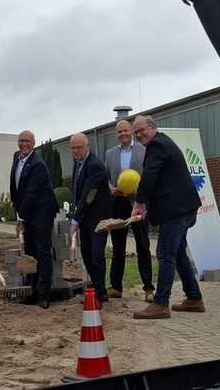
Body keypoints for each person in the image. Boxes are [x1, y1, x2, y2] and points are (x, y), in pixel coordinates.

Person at [130, 115, 206, 320]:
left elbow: (150, 176)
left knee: (165, 254)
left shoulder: (157, 145)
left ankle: (161, 303)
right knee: (178, 253)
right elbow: (161, 181)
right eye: (135, 133)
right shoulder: (163, 142)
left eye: (141, 130)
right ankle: (194, 298)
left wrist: (139, 203)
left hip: (176, 211)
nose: (138, 135)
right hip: (184, 208)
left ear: (152, 127)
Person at [103, 119, 154, 302]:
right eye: (119, 132)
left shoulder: (143, 149)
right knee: (118, 247)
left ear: (131, 131)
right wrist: (111, 189)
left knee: (143, 245)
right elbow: (106, 178)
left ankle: (148, 288)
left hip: (138, 202)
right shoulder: (110, 154)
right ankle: (116, 287)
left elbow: (149, 174)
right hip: (118, 202)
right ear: (116, 134)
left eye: (125, 130)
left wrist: (142, 198)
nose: (123, 134)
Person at [9, 130, 57, 309]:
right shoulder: (17, 157)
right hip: (27, 212)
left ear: (34, 143)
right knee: (30, 252)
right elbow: (15, 186)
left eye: (28, 141)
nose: (24, 144)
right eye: (21, 141)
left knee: (43, 252)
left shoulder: (38, 164)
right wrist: (17, 208)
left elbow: (31, 193)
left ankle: (44, 295)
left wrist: (20, 215)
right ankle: (33, 291)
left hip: (42, 212)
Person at [69, 133, 111, 304]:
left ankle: (99, 295)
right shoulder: (78, 163)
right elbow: (77, 191)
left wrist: (75, 219)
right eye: (72, 148)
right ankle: (99, 291)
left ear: (87, 146)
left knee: (96, 255)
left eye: (78, 147)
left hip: (98, 219)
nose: (75, 151)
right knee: (87, 254)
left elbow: (89, 195)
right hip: (85, 219)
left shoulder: (95, 165)